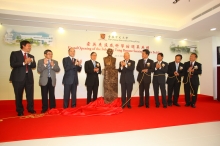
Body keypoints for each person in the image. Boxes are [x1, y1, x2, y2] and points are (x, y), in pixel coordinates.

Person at [9, 40, 36, 116]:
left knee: (30, 94)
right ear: (23, 46)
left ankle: (30, 108)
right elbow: (12, 64)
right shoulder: (15, 54)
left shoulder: (31, 56)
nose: (30, 47)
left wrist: (30, 62)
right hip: (18, 78)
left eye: (30, 46)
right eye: (28, 46)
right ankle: (20, 110)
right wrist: (24, 62)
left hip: (29, 78)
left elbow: (34, 66)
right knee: (18, 95)